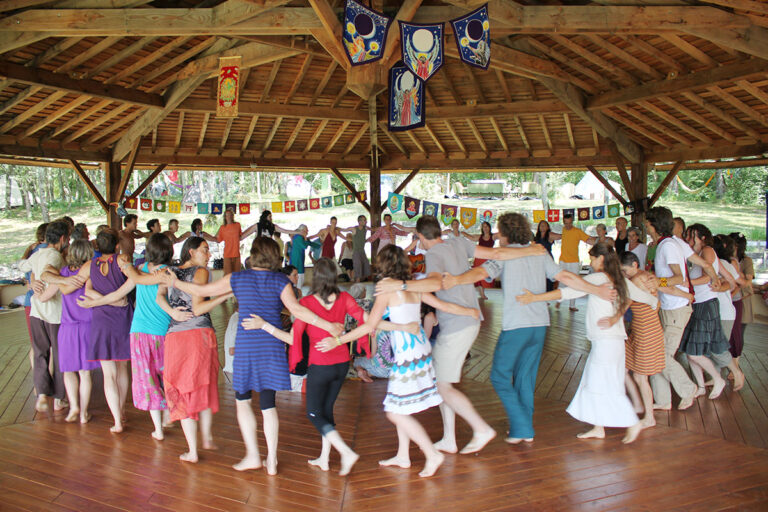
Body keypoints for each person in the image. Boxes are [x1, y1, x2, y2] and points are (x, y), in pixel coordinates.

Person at [161, 236, 344, 475]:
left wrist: (175, 282)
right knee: (268, 405)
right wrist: (328, 325)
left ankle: (253, 456)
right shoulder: (280, 280)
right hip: (271, 346)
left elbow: (201, 290)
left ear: (254, 254)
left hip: (248, 346)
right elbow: (298, 310)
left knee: (243, 401)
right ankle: (272, 461)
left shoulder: (238, 278)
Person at [376, 215, 548, 455]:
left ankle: (481, 429)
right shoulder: (458, 241)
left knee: (442, 385)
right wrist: (529, 249)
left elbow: (436, 283)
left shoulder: (433, 255)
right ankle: (449, 438)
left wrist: (401, 285)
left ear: (422, 237)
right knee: (442, 382)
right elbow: (497, 254)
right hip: (469, 319)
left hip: (458, 323)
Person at [442, 213, 617, 444]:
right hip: (540, 324)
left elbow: (481, 272)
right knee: (525, 378)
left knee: (499, 376)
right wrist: (595, 290)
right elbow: (564, 275)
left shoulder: (507, 254)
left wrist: (455, 280)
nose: (498, 237)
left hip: (517, 325)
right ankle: (522, 428)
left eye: (499, 232)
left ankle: (522, 426)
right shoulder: (538, 252)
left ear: (505, 233)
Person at [318, 245, 482, 477]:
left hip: (407, 356)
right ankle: (403, 455)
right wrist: (470, 312)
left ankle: (432, 454)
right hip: (421, 350)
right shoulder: (414, 287)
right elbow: (443, 306)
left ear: (382, 265)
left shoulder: (386, 291)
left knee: (395, 412)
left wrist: (339, 341)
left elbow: (369, 326)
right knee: (400, 406)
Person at [517, 243, 659, 444]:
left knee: (606, 384)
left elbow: (566, 293)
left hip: (606, 343)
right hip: (613, 343)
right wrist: (655, 296)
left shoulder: (598, 278)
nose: (591, 263)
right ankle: (598, 427)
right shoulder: (620, 280)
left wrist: (535, 298)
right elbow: (647, 298)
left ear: (601, 259)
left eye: (592, 259)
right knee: (593, 382)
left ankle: (632, 422)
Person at [80, 234, 185, 439]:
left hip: (139, 332)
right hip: (164, 331)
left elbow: (118, 294)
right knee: (166, 375)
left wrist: (94, 303)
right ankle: (168, 415)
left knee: (147, 378)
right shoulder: (170, 273)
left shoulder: (140, 270)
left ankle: (158, 428)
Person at [162, 237, 232, 463]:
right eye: (205, 250)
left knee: (182, 389)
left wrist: (172, 313)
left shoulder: (169, 270)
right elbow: (199, 307)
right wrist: (224, 296)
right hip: (196, 335)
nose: (208, 255)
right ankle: (204, 439)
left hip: (174, 335)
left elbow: (159, 296)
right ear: (191, 252)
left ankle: (194, 448)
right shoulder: (201, 273)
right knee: (201, 384)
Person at [645, 207, 711, 411]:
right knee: (656, 355)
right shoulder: (664, 244)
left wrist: (657, 281)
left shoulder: (667, 246)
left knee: (661, 356)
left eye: (647, 223)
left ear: (654, 225)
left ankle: (688, 389)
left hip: (676, 309)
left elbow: (678, 278)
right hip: (668, 306)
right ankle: (663, 400)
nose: (645, 225)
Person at [35, 239, 100, 423]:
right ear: (88, 254)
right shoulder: (91, 273)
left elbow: (45, 296)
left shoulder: (63, 273)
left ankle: (74, 408)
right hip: (88, 326)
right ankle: (84, 413)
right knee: (85, 373)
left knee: (69, 370)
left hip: (67, 327)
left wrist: (35, 290)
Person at [618, 251, 685, 429]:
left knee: (640, 377)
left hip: (646, 330)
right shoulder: (648, 276)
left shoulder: (635, 281)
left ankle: (649, 417)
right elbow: (666, 287)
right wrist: (686, 295)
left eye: (625, 270)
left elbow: (624, 305)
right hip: (643, 329)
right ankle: (638, 405)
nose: (624, 274)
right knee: (624, 367)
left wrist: (611, 318)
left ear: (634, 265)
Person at [680, 224, 745, 397]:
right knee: (692, 349)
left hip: (707, 305)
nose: (687, 238)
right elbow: (729, 281)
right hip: (699, 304)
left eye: (690, 235)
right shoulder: (694, 256)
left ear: (701, 237)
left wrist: (685, 283)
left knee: (700, 350)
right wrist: (720, 285)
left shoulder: (707, 250)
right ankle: (701, 386)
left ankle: (721, 377)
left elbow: (710, 275)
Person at [19, 221, 77, 413]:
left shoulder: (38, 254)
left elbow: (22, 265)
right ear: (62, 239)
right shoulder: (56, 257)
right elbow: (52, 280)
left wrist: (33, 281)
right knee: (60, 356)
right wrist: (43, 293)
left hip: (36, 313)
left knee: (40, 353)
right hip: (55, 314)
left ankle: (42, 394)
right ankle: (60, 398)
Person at [555, 212, 597, 311]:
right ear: (563, 222)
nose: (568, 225)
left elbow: (588, 240)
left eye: (569, 223)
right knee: (561, 281)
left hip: (573, 261)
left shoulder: (577, 231)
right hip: (563, 260)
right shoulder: (563, 230)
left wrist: (599, 242)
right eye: (566, 223)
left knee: (574, 283)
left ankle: (572, 305)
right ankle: (558, 301)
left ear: (572, 222)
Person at [730, 232, 754, 353]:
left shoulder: (746, 261)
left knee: (739, 331)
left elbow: (748, 280)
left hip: (743, 298)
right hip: (732, 297)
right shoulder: (727, 260)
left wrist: (736, 272)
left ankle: (736, 362)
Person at [462, 221, 497, 300]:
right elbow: (471, 238)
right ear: (482, 228)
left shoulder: (493, 236)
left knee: (487, 276)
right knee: (479, 277)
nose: (485, 228)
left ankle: (482, 292)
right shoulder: (480, 237)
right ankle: (482, 293)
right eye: (483, 226)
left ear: (489, 227)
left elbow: (500, 235)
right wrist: (464, 233)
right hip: (479, 259)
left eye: (486, 226)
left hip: (488, 260)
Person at [289, 224, 321, 289]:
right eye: (306, 230)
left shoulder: (301, 237)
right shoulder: (298, 237)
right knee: (299, 278)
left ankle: (298, 292)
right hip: (297, 261)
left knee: (300, 278)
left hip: (299, 260)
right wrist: (306, 239)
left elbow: (311, 243)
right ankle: (298, 293)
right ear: (302, 230)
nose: (307, 231)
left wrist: (320, 246)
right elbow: (305, 246)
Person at [216, 209, 244, 275]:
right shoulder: (222, 227)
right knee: (227, 275)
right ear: (225, 217)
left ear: (233, 216)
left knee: (237, 275)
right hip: (227, 255)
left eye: (230, 215)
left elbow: (240, 236)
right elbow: (218, 239)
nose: (229, 216)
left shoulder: (237, 225)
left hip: (236, 254)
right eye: (227, 215)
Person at [535, 220, 560, 292]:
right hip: (538, 259)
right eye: (541, 225)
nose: (542, 227)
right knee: (540, 278)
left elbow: (560, 236)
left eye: (544, 225)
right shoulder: (537, 237)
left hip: (547, 258)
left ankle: (548, 294)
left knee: (548, 278)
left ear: (548, 227)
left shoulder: (550, 235)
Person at [348, 215, 371, 282]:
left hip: (362, 252)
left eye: (366, 220)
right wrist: (335, 228)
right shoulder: (354, 229)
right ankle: (357, 281)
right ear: (359, 221)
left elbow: (373, 229)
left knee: (366, 265)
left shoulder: (365, 228)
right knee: (357, 266)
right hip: (356, 252)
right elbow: (344, 229)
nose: (366, 221)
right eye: (364, 220)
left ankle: (359, 280)